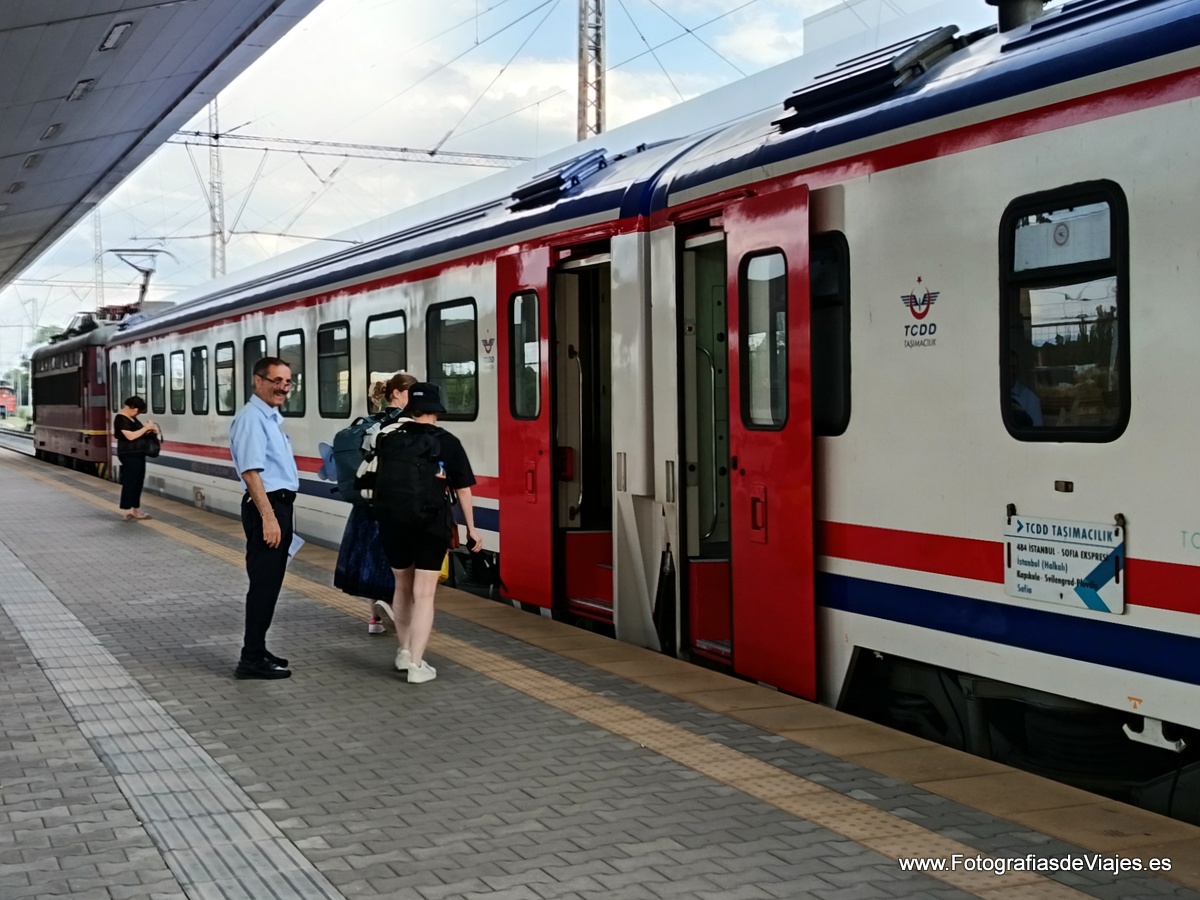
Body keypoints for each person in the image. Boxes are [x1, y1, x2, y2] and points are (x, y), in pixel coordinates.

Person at [377, 382, 482, 684]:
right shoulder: (447, 442)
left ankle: (403, 650)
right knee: (424, 594)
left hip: (393, 522)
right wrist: (472, 529)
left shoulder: (389, 438)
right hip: (431, 524)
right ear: (437, 411)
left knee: (401, 585)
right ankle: (416, 665)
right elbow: (462, 489)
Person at [228, 357, 300, 680]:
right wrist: (269, 517)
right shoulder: (252, 419)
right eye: (276, 381)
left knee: (270, 585)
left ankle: (258, 648)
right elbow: (251, 471)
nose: (283, 387)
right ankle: (251, 658)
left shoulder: (270, 419)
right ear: (258, 381)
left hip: (278, 506)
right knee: (263, 585)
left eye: (288, 381)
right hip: (268, 507)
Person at [332, 371, 417, 634]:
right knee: (391, 559)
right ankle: (391, 606)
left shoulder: (368, 422)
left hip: (365, 502)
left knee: (368, 558)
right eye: (411, 394)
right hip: (390, 504)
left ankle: (374, 619)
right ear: (397, 393)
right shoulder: (406, 424)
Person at [113, 396, 159, 521]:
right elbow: (130, 436)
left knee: (138, 482)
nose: (138, 413)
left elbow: (140, 434)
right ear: (133, 408)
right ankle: (128, 511)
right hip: (128, 454)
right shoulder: (120, 419)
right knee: (130, 482)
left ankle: (136, 510)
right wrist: (145, 428)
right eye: (138, 411)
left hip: (138, 454)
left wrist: (151, 430)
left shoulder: (132, 419)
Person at [1009, 350, 1044, 427]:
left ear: (1018, 369)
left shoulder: (1031, 399)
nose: (1010, 371)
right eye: (1006, 367)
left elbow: (1036, 432)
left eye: (1013, 367)